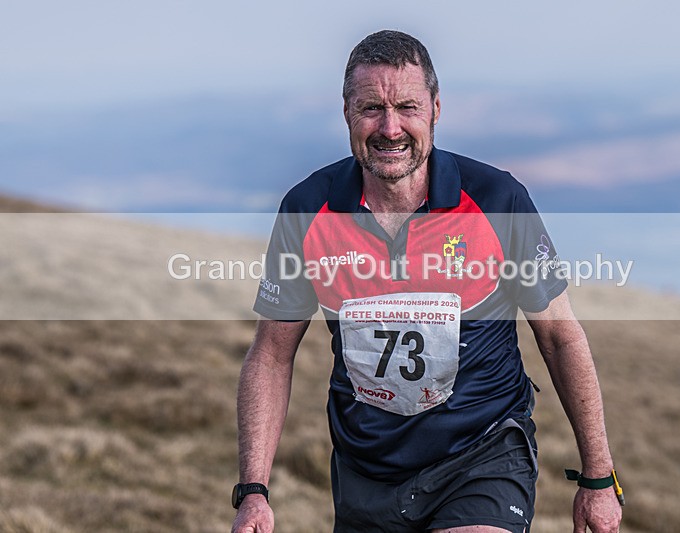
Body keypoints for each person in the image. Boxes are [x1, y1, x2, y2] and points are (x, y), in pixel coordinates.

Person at [232, 30, 623, 533]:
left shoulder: (497, 199)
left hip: (482, 456)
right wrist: (253, 492)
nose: (390, 127)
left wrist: (598, 478)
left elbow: (559, 335)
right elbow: (270, 354)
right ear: (347, 112)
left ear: (436, 109)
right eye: (371, 107)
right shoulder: (308, 209)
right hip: (366, 473)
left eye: (408, 107)